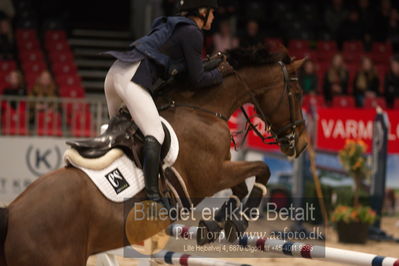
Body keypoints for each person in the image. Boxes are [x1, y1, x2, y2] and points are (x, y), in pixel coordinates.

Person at [103, 0, 234, 207]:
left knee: (124, 135)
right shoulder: (192, 32)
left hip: (115, 73)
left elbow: (182, 70)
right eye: (211, 12)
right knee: (155, 133)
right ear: (201, 11)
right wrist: (220, 73)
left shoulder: (172, 25)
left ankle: (116, 188)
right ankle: (153, 197)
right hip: (131, 77)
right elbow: (196, 80)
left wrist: (208, 64)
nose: (213, 17)